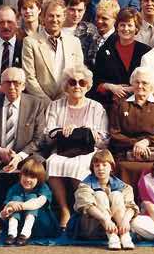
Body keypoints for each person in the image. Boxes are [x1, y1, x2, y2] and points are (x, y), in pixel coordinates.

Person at [0, 67, 48, 222]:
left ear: (24, 85)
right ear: (1, 85)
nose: (12, 87)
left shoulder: (36, 104)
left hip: (24, 154)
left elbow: (39, 138)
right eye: (7, 82)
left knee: (38, 162)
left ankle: (34, 212)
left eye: (16, 83)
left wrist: (19, 156)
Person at [39, 63, 108, 228]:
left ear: (88, 86)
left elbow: (104, 137)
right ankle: (64, 209)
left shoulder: (96, 107)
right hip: (62, 150)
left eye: (82, 82)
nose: (77, 86)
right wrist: (62, 130)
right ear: (66, 86)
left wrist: (86, 131)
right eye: (72, 82)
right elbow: (47, 132)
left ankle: (82, 209)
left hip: (88, 152)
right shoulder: (56, 105)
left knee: (80, 166)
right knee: (52, 163)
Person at [109, 68, 154, 187]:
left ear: (152, 86)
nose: (140, 86)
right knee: (121, 167)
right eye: (136, 82)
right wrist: (135, 144)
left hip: (153, 151)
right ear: (132, 83)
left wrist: (145, 142)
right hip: (125, 152)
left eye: (145, 83)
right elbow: (114, 133)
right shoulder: (120, 104)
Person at [72, 149, 139, 249]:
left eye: (104, 165)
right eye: (97, 165)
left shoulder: (123, 186)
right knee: (100, 194)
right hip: (92, 226)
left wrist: (125, 221)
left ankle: (125, 236)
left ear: (111, 167)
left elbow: (131, 206)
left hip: (118, 226)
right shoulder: (84, 185)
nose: (100, 168)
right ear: (93, 168)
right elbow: (86, 206)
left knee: (116, 194)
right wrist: (106, 220)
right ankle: (112, 236)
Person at [21, 0, 84, 103]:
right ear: (43, 17)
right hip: (40, 104)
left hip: (67, 102)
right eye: (51, 15)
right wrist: (46, 102)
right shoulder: (30, 42)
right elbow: (29, 78)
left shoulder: (74, 42)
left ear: (64, 17)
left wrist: (65, 98)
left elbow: (78, 73)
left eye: (58, 16)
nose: (55, 20)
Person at [92, 8, 150, 109]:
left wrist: (131, 89)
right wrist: (111, 87)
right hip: (109, 105)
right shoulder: (105, 50)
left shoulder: (145, 51)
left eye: (130, 25)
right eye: (122, 25)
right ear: (117, 27)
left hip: (138, 105)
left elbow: (150, 81)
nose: (126, 29)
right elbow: (96, 82)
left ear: (136, 28)